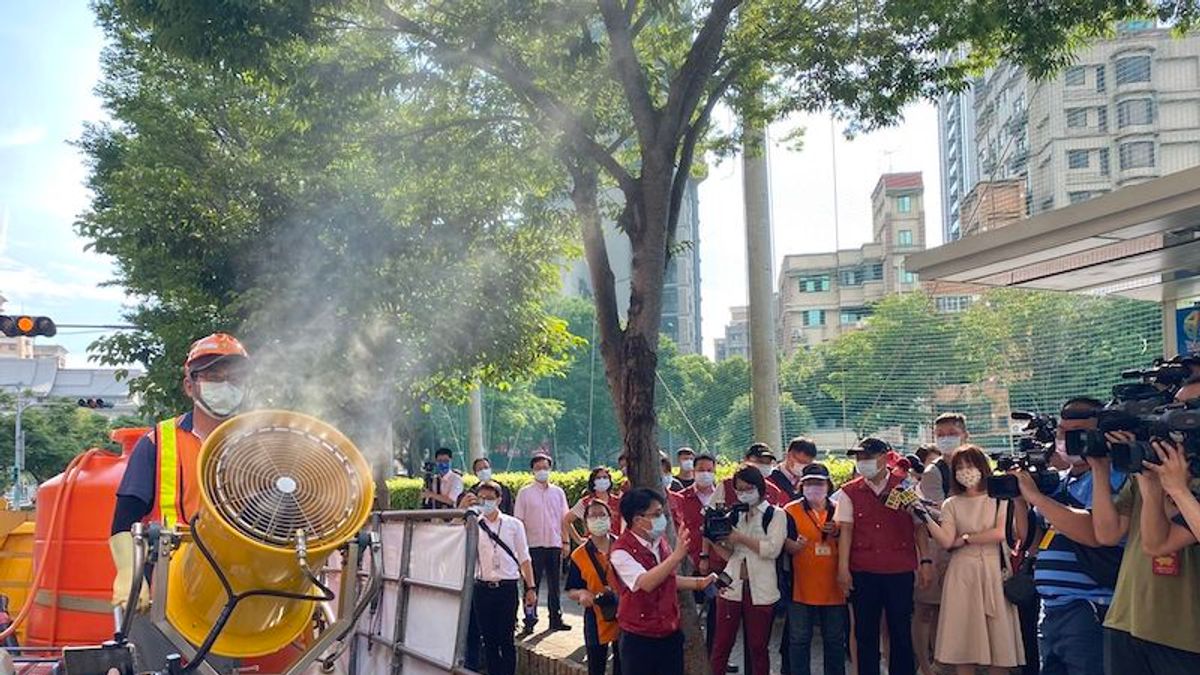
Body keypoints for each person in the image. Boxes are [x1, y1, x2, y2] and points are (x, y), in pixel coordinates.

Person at [109, 333, 250, 670]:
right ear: (190, 385)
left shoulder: (257, 445)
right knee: (150, 667)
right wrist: (130, 575)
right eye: (214, 378)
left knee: (216, 669)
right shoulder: (158, 442)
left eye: (234, 378)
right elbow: (123, 521)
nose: (225, 385)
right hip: (160, 591)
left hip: (225, 593)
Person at [1093, 373, 1200, 673]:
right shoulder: (1156, 466)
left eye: (1190, 409)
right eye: (1174, 408)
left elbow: (1157, 544)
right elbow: (1107, 533)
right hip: (1128, 619)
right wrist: (1103, 469)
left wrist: (1178, 489)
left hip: (1182, 632)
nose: (1178, 418)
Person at [1010, 397, 1124, 675]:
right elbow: (1032, 543)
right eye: (1062, 431)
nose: (1066, 440)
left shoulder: (1113, 476)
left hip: (1089, 607)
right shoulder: (1058, 481)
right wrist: (1019, 500)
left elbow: (1095, 532)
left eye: (1077, 433)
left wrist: (1037, 497)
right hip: (1051, 608)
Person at [919, 445, 1024, 674]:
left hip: (994, 570)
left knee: (999, 647)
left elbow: (1001, 532)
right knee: (962, 644)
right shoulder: (951, 503)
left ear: (983, 467)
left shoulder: (1000, 498)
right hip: (962, 574)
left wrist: (966, 539)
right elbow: (947, 541)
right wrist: (924, 516)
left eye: (970, 465)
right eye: (960, 467)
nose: (965, 471)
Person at [836, 437, 930, 675]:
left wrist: (925, 561)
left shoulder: (904, 486)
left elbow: (919, 525)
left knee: (900, 631)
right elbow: (845, 530)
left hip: (899, 569)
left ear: (884, 458)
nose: (862, 462)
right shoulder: (849, 492)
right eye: (859, 458)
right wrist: (843, 569)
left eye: (867, 457)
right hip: (863, 570)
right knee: (865, 633)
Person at [610, 487, 718, 675]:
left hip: (669, 630)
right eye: (657, 514)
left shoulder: (659, 541)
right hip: (639, 636)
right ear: (637, 520)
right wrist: (676, 557)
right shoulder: (621, 551)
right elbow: (646, 583)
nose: (663, 519)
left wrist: (699, 583)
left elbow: (666, 578)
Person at [708, 466, 788, 675]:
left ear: (760, 488)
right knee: (721, 645)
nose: (744, 493)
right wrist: (716, 538)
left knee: (758, 647)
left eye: (748, 488)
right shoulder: (734, 514)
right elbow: (731, 553)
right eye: (739, 489)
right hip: (731, 584)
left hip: (761, 588)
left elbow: (772, 550)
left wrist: (740, 538)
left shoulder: (775, 514)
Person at [784, 463, 847, 675]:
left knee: (835, 640)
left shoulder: (840, 510)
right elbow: (783, 544)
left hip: (834, 588)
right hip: (800, 587)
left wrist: (838, 533)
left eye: (819, 483)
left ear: (828, 485)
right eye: (809, 483)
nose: (814, 488)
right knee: (799, 640)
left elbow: (852, 543)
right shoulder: (789, 511)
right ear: (801, 486)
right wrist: (792, 546)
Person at [473, 481, 538, 675]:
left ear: (499, 500)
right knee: (489, 640)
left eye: (490, 498)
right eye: (481, 498)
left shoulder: (513, 525)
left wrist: (531, 588)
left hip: (507, 588)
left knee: (506, 639)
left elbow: (524, 557)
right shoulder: (473, 524)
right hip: (482, 588)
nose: (486, 502)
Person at [514, 453, 572, 634]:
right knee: (531, 585)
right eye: (538, 468)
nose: (542, 471)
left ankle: (556, 618)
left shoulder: (558, 492)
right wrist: (520, 549)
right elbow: (519, 522)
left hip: (554, 544)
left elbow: (565, 519)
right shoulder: (524, 493)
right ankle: (529, 619)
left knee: (555, 585)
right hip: (532, 546)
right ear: (532, 470)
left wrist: (566, 542)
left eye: (545, 467)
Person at [566, 501, 623, 675]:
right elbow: (571, 589)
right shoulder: (579, 555)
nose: (598, 519)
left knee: (623, 666)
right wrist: (582, 593)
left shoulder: (623, 547)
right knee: (596, 666)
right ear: (585, 522)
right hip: (596, 614)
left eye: (602, 515)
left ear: (610, 518)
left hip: (624, 613)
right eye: (593, 515)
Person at [919, 412, 970, 504]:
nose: (946, 439)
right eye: (940, 435)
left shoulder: (981, 462)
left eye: (952, 433)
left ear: (965, 436)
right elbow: (939, 511)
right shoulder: (933, 472)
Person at [565, 467, 623, 546]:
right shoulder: (585, 502)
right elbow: (566, 520)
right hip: (592, 546)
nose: (602, 480)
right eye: (598, 478)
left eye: (605, 477)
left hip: (614, 545)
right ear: (593, 481)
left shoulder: (619, 502)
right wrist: (578, 540)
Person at [771, 437, 818, 502]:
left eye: (807, 463)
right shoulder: (771, 477)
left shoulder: (812, 480)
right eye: (800, 461)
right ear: (788, 455)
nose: (802, 466)